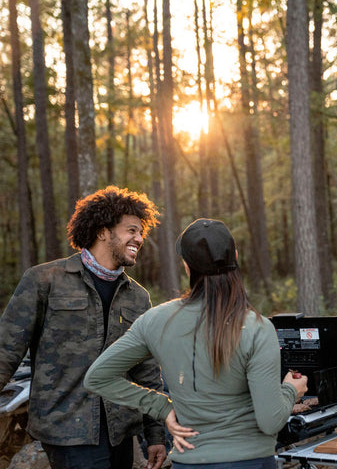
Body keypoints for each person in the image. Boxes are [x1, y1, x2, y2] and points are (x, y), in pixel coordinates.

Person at [84, 218, 308, 469]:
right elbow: (271, 420)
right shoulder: (257, 328)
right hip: (251, 461)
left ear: (186, 266)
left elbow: (97, 377)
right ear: (235, 256)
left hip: (188, 462)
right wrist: (291, 389)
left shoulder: (155, 321)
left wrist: (162, 408)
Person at [0, 186, 166, 469]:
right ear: (103, 231)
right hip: (67, 432)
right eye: (131, 230)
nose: (139, 238)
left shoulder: (137, 297)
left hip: (120, 434)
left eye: (141, 233)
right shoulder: (45, 281)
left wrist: (155, 435)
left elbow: (146, 371)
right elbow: (6, 351)